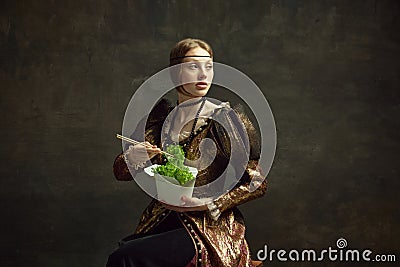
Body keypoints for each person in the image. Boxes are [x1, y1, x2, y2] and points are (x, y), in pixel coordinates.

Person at [107, 38, 267, 267]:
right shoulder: (160, 119)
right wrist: (133, 157)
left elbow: (258, 182)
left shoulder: (224, 119)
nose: (203, 74)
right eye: (193, 66)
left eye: (209, 66)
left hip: (208, 227)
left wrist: (209, 203)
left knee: (124, 258)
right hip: (162, 219)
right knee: (125, 254)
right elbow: (120, 172)